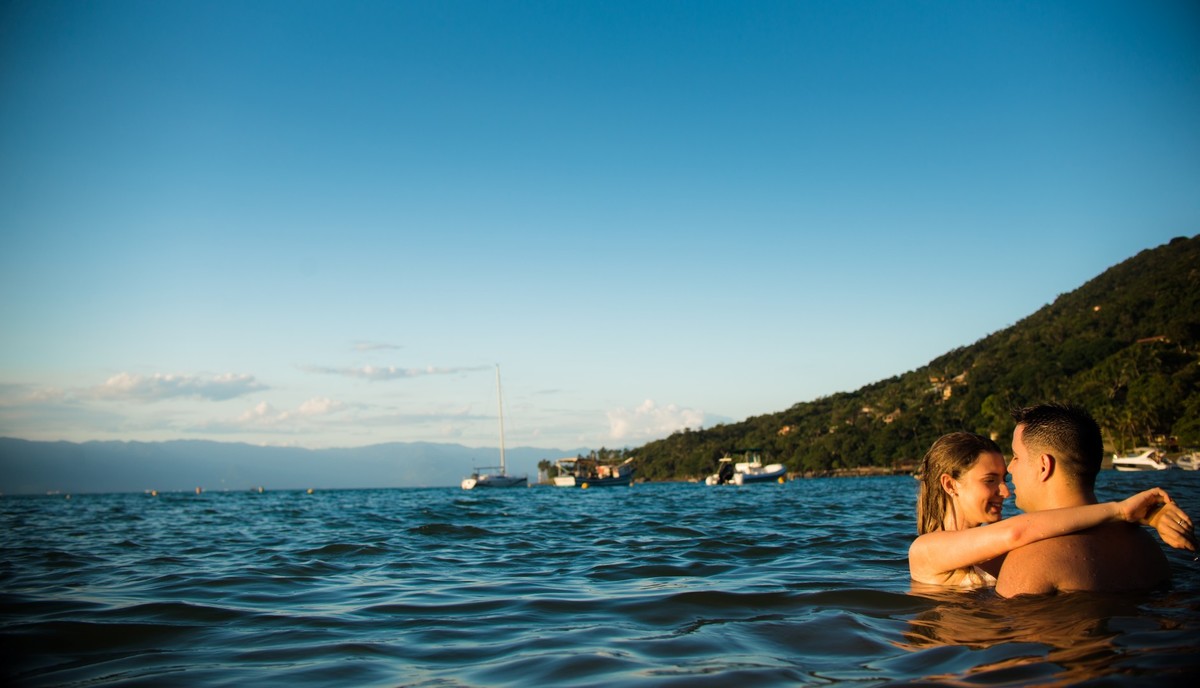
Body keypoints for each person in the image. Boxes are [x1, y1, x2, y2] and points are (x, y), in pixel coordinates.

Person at [908, 431, 1194, 588]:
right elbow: (1020, 530)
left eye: (1005, 479)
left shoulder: (1005, 542)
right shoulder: (925, 550)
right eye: (990, 481)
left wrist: (1153, 515)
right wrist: (1120, 510)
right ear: (951, 485)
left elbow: (1060, 528)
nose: (1005, 491)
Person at [996, 403, 1195, 596]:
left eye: (1016, 457)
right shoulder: (1148, 546)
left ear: (1043, 467)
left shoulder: (1031, 560)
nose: (1010, 468)